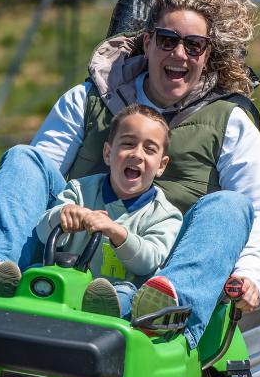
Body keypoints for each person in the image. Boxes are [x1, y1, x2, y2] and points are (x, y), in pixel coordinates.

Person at [0, 0, 260, 349]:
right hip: (68, 255)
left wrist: (250, 277)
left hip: (158, 267)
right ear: (147, 41)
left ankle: (168, 313)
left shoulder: (230, 121)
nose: (179, 54)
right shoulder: (89, 98)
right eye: (168, 40)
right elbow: (36, 182)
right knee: (25, 158)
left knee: (232, 205)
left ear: (208, 55)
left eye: (194, 45)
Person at [33, 104, 182, 319]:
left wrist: (116, 232)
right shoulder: (79, 190)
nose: (137, 155)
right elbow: (43, 233)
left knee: (126, 295)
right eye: (128, 144)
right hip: (68, 283)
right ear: (108, 152)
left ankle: (99, 313)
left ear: (161, 165)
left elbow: (148, 261)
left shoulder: (165, 215)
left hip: (122, 293)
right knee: (37, 271)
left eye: (149, 149)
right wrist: (64, 214)